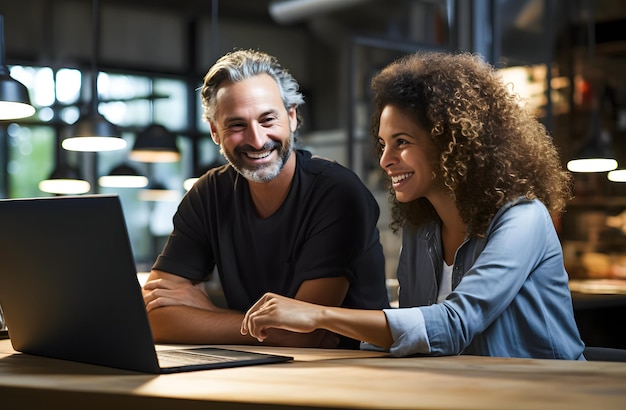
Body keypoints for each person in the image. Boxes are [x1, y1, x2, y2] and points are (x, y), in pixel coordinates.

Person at [241, 51, 586, 360]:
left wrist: (317, 314)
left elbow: (454, 325)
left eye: (401, 142)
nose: (386, 160)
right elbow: (419, 339)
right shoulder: (421, 227)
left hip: (550, 394)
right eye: (384, 144)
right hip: (469, 394)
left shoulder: (523, 217)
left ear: (451, 142)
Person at [141, 49, 389, 349]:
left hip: (351, 374)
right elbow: (154, 318)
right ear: (214, 132)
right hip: (258, 370)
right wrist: (259, 326)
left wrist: (207, 313)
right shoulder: (209, 194)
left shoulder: (337, 193)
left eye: (267, 119)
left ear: (292, 117)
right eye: (236, 125)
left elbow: (304, 335)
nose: (257, 140)